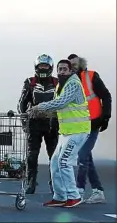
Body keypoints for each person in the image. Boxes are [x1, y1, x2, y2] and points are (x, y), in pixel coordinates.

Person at [29, 59, 90, 208]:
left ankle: (74, 196)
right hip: (66, 131)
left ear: (71, 71)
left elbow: (61, 102)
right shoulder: (60, 86)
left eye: (64, 69)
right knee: (55, 163)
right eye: (60, 69)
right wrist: (44, 114)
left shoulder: (73, 84)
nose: (62, 71)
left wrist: (39, 107)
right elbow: (59, 108)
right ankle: (60, 196)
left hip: (78, 130)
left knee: (64, 161)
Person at [68, 54, 112, 204]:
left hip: (93, 123)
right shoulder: (68, 81)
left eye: (75, 64)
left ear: (81, 64)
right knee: (86, 157)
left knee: (82, 154)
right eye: (70, 65)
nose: (73, 67)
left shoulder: (91, 76)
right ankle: (98, 191)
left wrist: (106, 116)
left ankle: (79, 189)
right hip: (78, 125)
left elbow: (106, 95)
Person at [17, 54, 59, 194]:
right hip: (34, 123)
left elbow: (63, 102)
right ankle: (31, 181)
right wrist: (24, 121)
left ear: (50, 67)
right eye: (41, 66)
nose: (43, 68)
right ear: (36, 67)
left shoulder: (57, 82)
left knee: (53, 156)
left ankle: (55, 183)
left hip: (52, 123)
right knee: (32, 155)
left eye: (45, 66)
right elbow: (22, 103)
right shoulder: (30, 82)